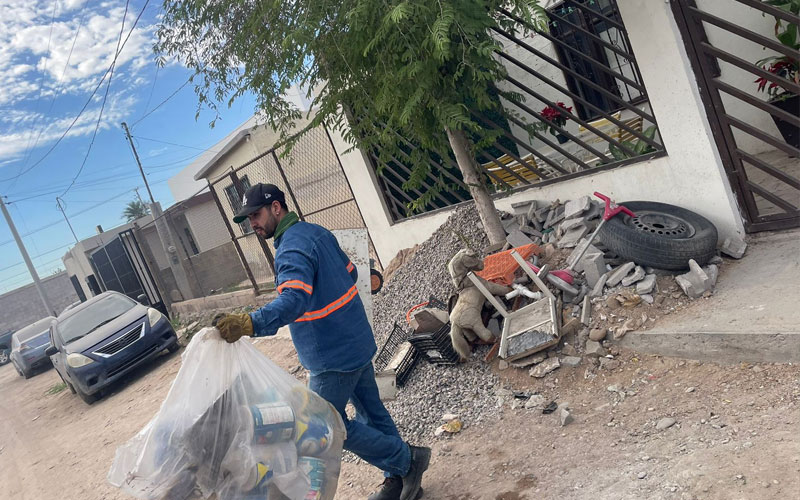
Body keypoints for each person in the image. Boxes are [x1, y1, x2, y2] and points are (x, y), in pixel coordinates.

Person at [213, 183, 429, 500]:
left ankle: (407, 461)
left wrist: (249, 322)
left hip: (331, 357)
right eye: (248, 219)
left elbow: (293, 300)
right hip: (355, 342)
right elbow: (351, 273)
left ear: (276, 208)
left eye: (256, 215)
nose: (253, 224)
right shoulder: (315, 233)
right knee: (372, 413)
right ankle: (401, 479)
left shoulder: (291, 249)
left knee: (326, 428)